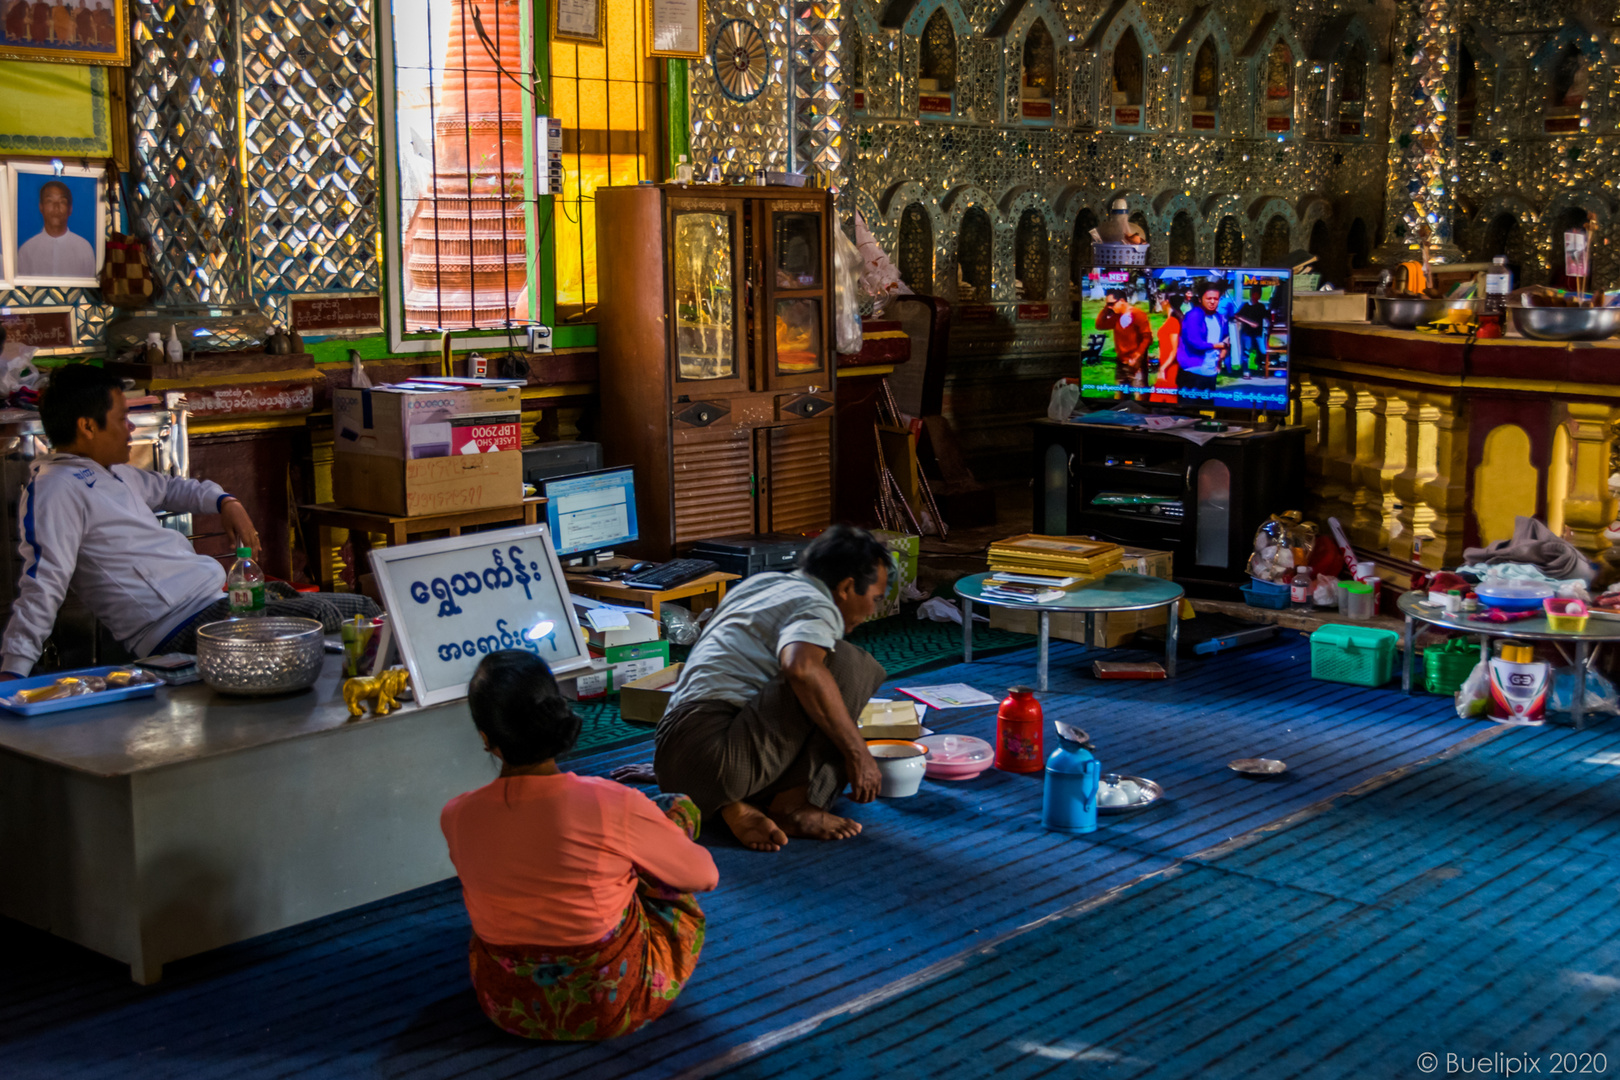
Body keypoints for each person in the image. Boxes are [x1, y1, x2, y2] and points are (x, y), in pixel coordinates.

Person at [0, 364, 377, 678]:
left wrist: (227, 502)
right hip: (180, 629)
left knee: (355, 608)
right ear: (87, 426)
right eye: (121, 419)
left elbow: (174, 489)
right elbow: (43, 582)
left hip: (216, 604)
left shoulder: (115, 473)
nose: (130, 429)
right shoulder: (56, 489)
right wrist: (13, 672)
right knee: (342, 615)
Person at [442, 651, 718, 1041]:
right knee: (677, 809)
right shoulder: (611, 803)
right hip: (609, 1006)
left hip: (508, 1007)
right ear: (557, 716)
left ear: (487, 739)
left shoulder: (456, 815)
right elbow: (704, 876)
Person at [646, 525, 892, 852]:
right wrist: (858, 753)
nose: (872, 611)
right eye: (874, 599)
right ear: (846, 587)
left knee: (813, 683)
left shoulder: (763, 584)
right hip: (721, 757)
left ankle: (727, 804)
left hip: (673, 760)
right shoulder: (817, 604)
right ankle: (793, 806)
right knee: (847, 663)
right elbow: (800, 667)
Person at [16, 180, 96, 280]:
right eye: (49, 201)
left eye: (62, 202)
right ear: (41, 207)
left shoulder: (84, 249)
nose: (56, 208)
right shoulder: (26, 250)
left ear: (70, 209)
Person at [1176, 282, 1229, 401]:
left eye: (1215, 298)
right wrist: (1219, 345)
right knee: (1189, 414)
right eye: (1208, 298)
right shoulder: (1193, 315)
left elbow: (1226, 336)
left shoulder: (1219, 317)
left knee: (1207, 412)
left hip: (1210, 372)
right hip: (1192, 372)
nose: (1212, 302)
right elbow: (1195, 342)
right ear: (1200, 299)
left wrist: (1224, 351)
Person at [1094, 289, 1153, 389]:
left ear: (1121, 301)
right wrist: (1106, 308)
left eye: (1112, 304)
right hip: (1121, 362)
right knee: (1120, 393)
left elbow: (1147, 338)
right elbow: (1099, 325)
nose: (1110, 307)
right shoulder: (1116, 317)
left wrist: (1137, 355)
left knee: (1139, 393)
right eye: (1108, 304)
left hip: (1136, 364)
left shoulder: (1138, 314)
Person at [1146, 294, 1183, 405]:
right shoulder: (1170, 320)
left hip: (1170, 368)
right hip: (1165, 363)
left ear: (1167, 302)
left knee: (1163, 398)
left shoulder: (1173, 322)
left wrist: (1162, 369)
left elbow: (1174, 350)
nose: (1160, 303)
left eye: (1162, 300)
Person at [1233, 284, 1270, 380]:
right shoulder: (1246, 305)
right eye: (1256, 294)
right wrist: (1250, 322)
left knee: (1262, 351)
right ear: (1252, 294)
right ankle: (1246, 372)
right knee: (1246, 352)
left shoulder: (1261, 306)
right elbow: (1237, 316)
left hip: (1258, 333)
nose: (1258, 296)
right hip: (1247, 333)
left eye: (1259, 294)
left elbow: (1267, 317)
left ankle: (1261, 369)